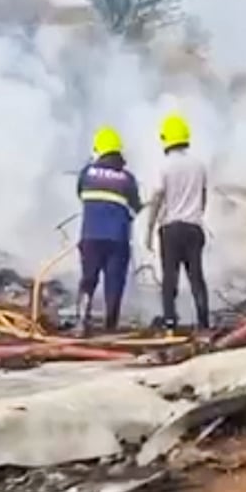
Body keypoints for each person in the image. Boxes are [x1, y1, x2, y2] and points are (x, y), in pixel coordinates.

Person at [144, 112, 210, 331]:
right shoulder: (199, 165)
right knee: (196, 278)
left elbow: (157, 198)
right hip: (194, 228)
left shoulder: (164, 166)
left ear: (166, 139)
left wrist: (149, 228)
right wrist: (197, 216)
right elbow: (203, 198)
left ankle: (170, 322)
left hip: (171, 229)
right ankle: (203, 323)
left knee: (170, 279)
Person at [77, 126, 142, 332]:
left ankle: (81, 321)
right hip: (117, 239)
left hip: (90, 237)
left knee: (88, 280)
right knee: (114, 284)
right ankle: (110, 326)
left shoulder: (87, 174)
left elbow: (80, 195)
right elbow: (136, 207)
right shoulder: (127, 179)